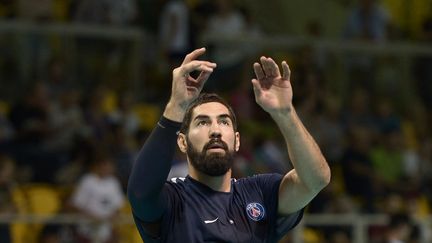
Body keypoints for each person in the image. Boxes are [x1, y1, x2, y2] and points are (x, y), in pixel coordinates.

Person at [127, 48, 331, 242]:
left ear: (237, 141)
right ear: (182, 142)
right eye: (203, 122)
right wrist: (176, 106)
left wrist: (285, 114)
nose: (215, 130)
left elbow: (315, 179)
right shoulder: (172, 200)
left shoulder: (260, 193)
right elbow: (140, 193)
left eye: (224, 122)